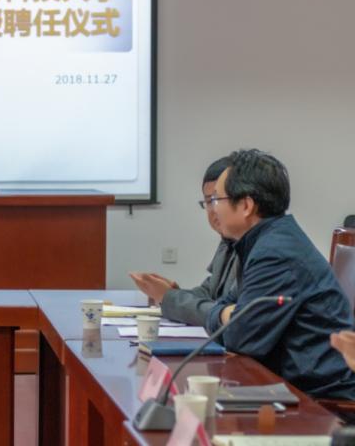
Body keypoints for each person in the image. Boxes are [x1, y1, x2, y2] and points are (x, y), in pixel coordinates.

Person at [205, 149, 355, 399]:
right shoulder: (264, 240)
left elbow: (238, 338)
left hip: (322, 399)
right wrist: (225, 312)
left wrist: (224, 314)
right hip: (290, 385)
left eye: (216, 199)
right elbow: (225, 304)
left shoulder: (275, 252)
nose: (212, 209)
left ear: (246, 205)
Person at [129, 156, 239, 326]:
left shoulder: (259, 248)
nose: (214, 210)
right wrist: (173, 294)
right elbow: (210, 293)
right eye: (208, 201)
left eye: (218, 200)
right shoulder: (228, 240)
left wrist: (169, 298)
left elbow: (227, 312)